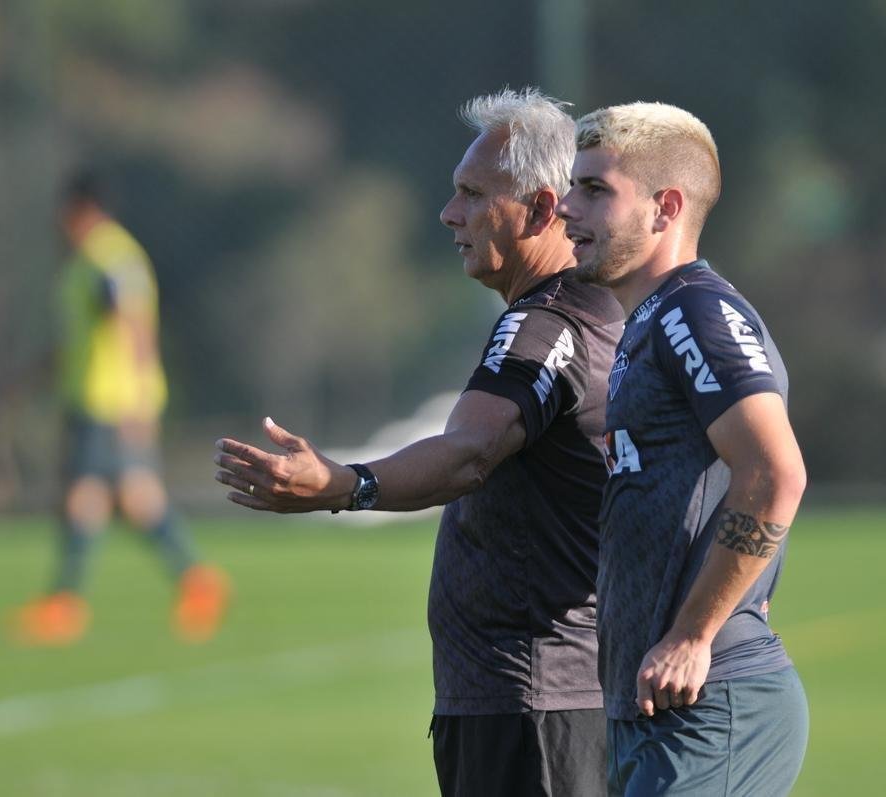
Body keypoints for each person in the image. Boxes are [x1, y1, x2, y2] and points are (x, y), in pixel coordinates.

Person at [213, 88, 624, 796]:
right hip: (531, 704)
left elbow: (469, 451)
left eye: (471, 194)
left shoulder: (547, 325)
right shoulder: (577, 312)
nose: (450, 214)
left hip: (534, 708)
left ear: (539, 210)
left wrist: (346, 486)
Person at [555, 102, 809, 795]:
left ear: (666, 208)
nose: (566, 207)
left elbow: (775, 472)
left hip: (709, 702)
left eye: (595, 190)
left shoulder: (697, 312)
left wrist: (694, 635)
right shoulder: (652, 319)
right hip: (658, 709)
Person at [14, 172, 230, 645]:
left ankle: (64, 603)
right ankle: (197, 582)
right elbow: (81, 337)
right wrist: (39, 374)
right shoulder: (87, 262)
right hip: (94, 399)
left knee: (85, 498)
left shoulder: (108, 258)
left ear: (82, 210)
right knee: (136, 499)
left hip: (111, 403)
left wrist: (137, 400)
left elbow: (130, 327)